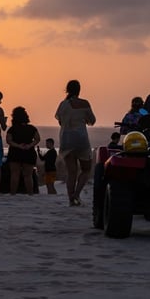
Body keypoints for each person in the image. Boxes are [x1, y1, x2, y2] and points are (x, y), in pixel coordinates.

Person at [55, 79, 96, 207]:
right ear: (79, 90)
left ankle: (71, 199)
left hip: (66, 139)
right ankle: (76, 194)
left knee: (71, 172)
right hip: (81, 138)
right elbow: (92, 120)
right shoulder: (84, 103)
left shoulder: (63, 104)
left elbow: (60, 121)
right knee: (86, 169)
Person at [5, 106, 40, 195]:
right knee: (28, 175)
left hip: (15, 152)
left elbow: (8, 140)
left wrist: (18, 146)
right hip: (29, 152)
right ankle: (30, 194)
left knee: (14, 174)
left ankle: (13, 193)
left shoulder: (12, 129)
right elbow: (37, 139)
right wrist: (29, 145)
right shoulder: (32, 128)